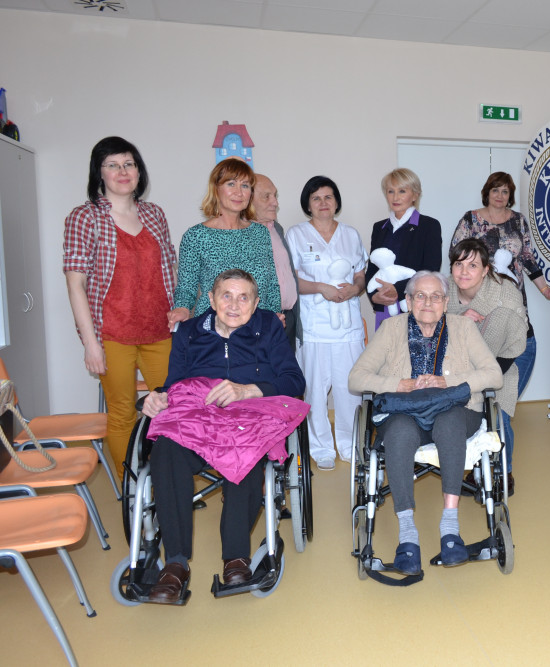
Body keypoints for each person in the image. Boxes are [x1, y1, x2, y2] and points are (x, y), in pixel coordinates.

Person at [141, 269, 305, 604]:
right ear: (212, 300)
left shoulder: (269, 327)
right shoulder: (189, 332)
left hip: (250, 418)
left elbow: (293, 380)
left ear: (256, 304)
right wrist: (155, 398)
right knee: (166, 448)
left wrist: (248, 390)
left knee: (245, 450)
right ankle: (175, 563)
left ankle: (236, 558)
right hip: (197, 420)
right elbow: (174, 385)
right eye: (226, 296)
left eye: (244, 298)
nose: (234, 304)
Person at [348, 272, 502, 574]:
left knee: (449, 422)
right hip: (405, 411)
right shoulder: (391, 329)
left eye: (435, 296)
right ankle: (407, 533)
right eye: (420, 295)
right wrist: (399, 384)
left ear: (445, 302)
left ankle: (450, 527)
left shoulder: (464, 328)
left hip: (456, 410)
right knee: (399, 431)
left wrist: (448, 382)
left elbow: (493, 374)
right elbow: (356, 377)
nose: (428, 302)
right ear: (408, 301)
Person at [63, 136, 177, 474]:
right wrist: (90, 344)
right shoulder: (84, 217)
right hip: (112, 335)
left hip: (160, 331)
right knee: (123, 413)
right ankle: (132, 490)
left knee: (173, 408)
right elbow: (75, 284)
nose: (122, 171)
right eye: (112, 165)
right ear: (99, 173)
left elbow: (170, 269)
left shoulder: (154, 214)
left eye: (129, 164)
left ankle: (166, 483)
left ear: (139, 171)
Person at [450, 171, 550, 406]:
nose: (500, 195)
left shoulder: (518, 220)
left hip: (511, 299)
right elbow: (456, 255)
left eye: (505, 191)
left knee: (515, 347)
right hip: (479, 301)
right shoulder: (471, 219)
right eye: (495, 190)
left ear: (510, 195)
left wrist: (544, 289)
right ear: (487, 193)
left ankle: (498, 408)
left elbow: (528, 258)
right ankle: (482, 407)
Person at [285, 176, 368, 470]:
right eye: (316, 198)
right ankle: (321, 448)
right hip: (314, 326)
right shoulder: (296, 234)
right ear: (308, 204)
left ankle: (349, 444)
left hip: (348, 326)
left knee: (349, 389)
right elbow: (292, 280)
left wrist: (355, 288)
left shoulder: (350, 234)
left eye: (328, 197)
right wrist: (321, 287)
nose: (323, 203)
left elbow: (360, 273)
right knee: (315, 392)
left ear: (336, 202)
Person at [447, 238, 527, 490]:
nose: (463, 272)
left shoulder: (506, 297)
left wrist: (483, 382)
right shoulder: (443, 291)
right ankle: (479, 467)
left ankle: (504, 471)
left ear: (485, 270)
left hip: (513, 350)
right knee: (469, 409)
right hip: (469, 359)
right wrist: (458, 319)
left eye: (472, 266)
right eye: (458, 264)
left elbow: (515, 345)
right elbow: (429, 327)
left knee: (497, 410)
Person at [170, 158, 281, 323]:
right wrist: (182, 308)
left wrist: (275, 316)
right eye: (231, 184)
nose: (239, 192)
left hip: (258, 328)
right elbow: (186, 288)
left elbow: (271, 285)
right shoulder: (196, 236)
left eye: (245, 186)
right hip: (213, 329)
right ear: (216, 189)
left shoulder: (260, 233)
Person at [365, 168, 442, 330]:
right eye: (390, 191)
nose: (395, 197)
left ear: (415, 195)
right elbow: (372, 268)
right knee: (385, 346)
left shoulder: (429, 226)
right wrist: (374, 296)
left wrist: (397, 290)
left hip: (416, 306)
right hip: (385, 306)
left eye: (402, 191)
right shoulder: (379, 228)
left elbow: (430, 269)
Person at [252, 173, 300, 348]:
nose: (275, 202)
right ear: (248, 200)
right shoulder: (238, 234)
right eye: (266, 196)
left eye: (275, 195)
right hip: (259, 323)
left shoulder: (276, 228)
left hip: (288, 318)